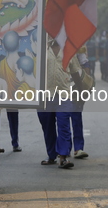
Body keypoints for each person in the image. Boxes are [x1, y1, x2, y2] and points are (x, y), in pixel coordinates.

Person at [37, 37, 82, 169]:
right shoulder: (40, 48)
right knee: (47, 125)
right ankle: (51, 156)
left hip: (64, 94)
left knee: (64, 125)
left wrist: (80, 91)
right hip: (44, 95)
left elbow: (74, 72)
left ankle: (63, 156)